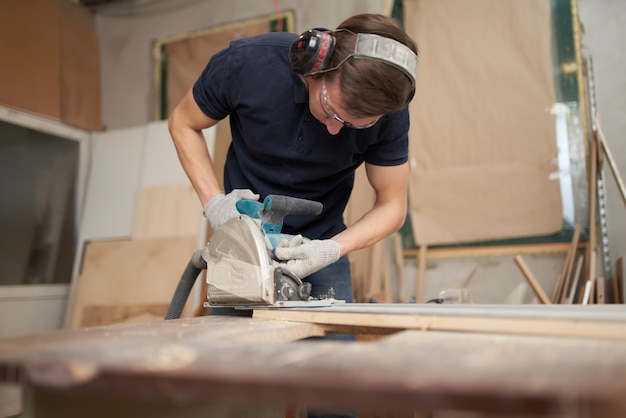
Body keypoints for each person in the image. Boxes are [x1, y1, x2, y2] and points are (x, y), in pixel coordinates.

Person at [168, 13, 418, 313]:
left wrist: (331, 249)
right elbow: (183, 122)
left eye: (355, 125)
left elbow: (393, 206)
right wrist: (216, 205)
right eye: (331, 111)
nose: (335, 129)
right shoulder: (249, 64)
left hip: (319, 250)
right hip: (243, 246)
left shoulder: (388, 115)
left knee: (331, 359)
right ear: (315, 67)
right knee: (232, 356)